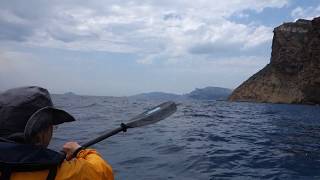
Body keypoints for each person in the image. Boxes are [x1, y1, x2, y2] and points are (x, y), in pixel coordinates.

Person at [0, 86, 114, 180]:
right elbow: (103, 172)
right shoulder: (60, 173)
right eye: (52, 126)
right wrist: (79, 150)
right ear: (40, 136)